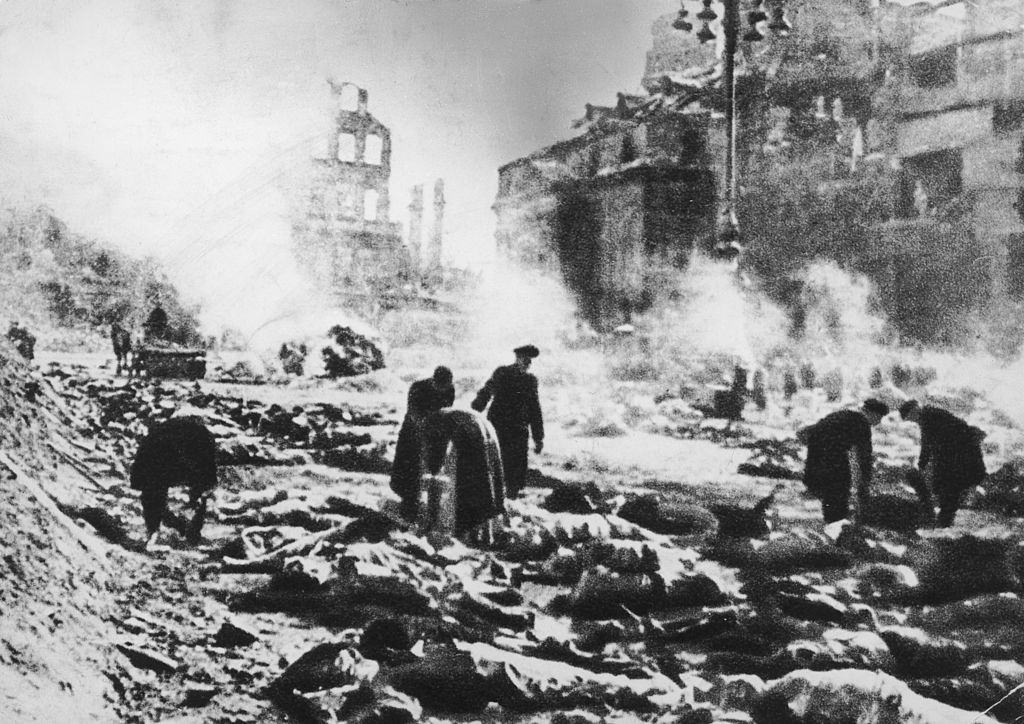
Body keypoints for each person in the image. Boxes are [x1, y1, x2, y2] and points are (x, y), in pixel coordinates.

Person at [420, 408, 506, 542]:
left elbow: (434, 463)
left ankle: (468, 534)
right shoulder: (441, 415)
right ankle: (489, 532)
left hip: (470, 430)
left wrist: (430, 517)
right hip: (487, 428)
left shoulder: (428, 425)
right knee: (489, 482)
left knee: (467, 485)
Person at [798, 398, 889, 524]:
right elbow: (864, 457)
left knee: (829, 493)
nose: (878, 422)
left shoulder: (841, 414)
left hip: (815, 458)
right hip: (832, 458)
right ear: (872, 413)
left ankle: (831, 522)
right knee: (839, 490)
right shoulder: (862, 423)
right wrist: (865, 483)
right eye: (879, 418)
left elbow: (805, 432)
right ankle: (837, 524)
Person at [899, 399, 987, 527]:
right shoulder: (929, 415)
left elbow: (927, 444)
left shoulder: (930, 417)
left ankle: (945, 522)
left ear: (914, 411)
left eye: (910, 418)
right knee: (949, 488)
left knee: (949, 487)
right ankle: (945, 521)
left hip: (960, 455)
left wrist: (922, 464)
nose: (913, 421)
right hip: (955, 456)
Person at [472, 344, 544, 498]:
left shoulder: (531, 380)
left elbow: (534, 409)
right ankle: (493, 501)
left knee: (516, 471)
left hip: (519, 431)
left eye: (529, 361)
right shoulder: (502, 373)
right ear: (517, 358)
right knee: (496, 464)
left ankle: (510, 502)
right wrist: (477, 406)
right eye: (525, 359)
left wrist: (538, 438)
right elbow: (487, 390)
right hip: (499, 427)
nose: (528, 363)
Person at [390, 366, 456, 520]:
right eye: (439, 386)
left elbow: (447, 411)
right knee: (408, 468)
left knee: (435, 468)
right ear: (433, 381)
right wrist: (424, 428)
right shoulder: (418, 388)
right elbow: (414, 413)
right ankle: (408, 504)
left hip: (436, 432)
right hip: (412, 431)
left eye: (444, 387)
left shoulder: (449, 389)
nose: (442, 390)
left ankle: (432, 507)